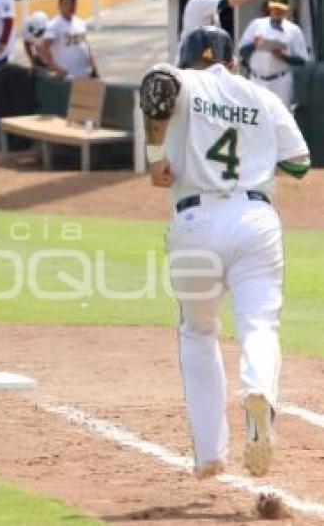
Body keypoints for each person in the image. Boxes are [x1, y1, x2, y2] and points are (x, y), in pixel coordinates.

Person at [138, 26, 310, 480]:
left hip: (195, 221)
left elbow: (155, 87)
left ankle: (210, 452)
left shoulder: (180, 81)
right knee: (259, 323)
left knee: (198, 331)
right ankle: (258, 393)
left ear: (185, 56)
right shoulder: (263, 97)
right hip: (255, 218)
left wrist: (156, 153)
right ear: (233, 61)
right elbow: (300, 164)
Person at [239, 0, 309, 108]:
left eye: (280, 9)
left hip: (280, 81)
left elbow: (302, 60)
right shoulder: (257, 24)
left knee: (280, 118)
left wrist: (283, 56)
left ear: (286, 10)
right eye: (275, 8)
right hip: (257, 80)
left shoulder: (293, 30)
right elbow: (242, 51)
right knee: (258, 117)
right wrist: (254, 45)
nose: (277, 11)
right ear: (270, 8)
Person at [39, 0, 98, 79]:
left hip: (84, 74)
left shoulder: (81, 23)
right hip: (67, 77)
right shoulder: (54, 25)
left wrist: (94, 68)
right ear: (59, 5)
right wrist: (55, 68)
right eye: (66, 3)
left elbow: (86, 47)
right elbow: (43, 49)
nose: (70, 7)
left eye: (73, 3)